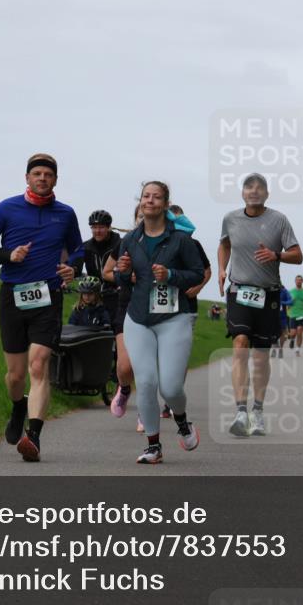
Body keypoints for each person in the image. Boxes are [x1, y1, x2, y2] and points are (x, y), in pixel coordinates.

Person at [0, 153, 82, 462]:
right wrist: (9, 256)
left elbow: (77, 250)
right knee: (16, 375)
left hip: (48, 296)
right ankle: (18, 406)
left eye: (48, 174)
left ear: (55, 180)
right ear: (27, 178)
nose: (42, 178)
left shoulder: (65, 214)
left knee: (39, 364)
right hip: (12, 295)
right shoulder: (7, 208)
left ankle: (32, 436)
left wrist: (71, 267)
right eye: (37, 173)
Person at [116, 181, 205, 463]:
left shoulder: (181, 240)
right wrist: (122, 272)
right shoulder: (130, 240)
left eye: (156, 197)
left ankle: (182, 422)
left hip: (173, 318)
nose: (150, 200)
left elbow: (196, 274)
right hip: (139, 317)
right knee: (146, 381)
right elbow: (122, 280)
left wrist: (171, 276)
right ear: (140, 202)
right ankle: (153, 446)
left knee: (170, 387)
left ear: (166, 205)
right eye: (146, 196)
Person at [218, 173, 302, 437]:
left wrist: (276, 255)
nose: (254, 191)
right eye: (249, 187)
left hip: (268, 294)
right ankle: (241, 411)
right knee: (241, 342)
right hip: (239, 290)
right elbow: (224, 244)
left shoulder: (279, 220)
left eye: (259, 188)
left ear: (267, 194)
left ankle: (258, 411)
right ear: (242, 193)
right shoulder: (230, 218)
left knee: (261, 356)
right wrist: (222, 269)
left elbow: (298, 256)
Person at [159, 203, 212, 422]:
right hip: (162, 305)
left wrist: (198, 287)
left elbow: (207, 271)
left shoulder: (193, 244)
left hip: (187, 307)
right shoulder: (159, 243)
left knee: (179, 357)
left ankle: (172, 400)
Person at [104, 204, 141, 427]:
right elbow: (107, 272)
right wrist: (127, 277)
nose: (144, 218)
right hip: (127, 306)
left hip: (156, 311)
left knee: (147, 368)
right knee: (125, 367)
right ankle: (125, 388)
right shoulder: (125, 243)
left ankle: (145, 413)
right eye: (140, 216)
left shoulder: (169, 243)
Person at [76, 210, 121, 325]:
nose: (97, 231)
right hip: (94, 295)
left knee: (116, 327)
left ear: (109, 227)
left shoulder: (120, 244)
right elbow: (76, 265)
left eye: (101, 227)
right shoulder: (86, 247)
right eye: (94, 227)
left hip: (116, 294)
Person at [287, 275, 303, 356]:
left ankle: (297, 349)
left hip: (302, 314)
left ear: (302, 281)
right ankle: (292, 339)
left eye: (300, 280)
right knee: (293, 333)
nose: (298, 281)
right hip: (292, 314)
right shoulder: (291, 292)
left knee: (300, 331)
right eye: (297, 280)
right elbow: (287, 303)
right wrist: (289, 305)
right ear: (295, 281)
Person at [271, 285, 293, 359]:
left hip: (282, 316)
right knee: (272, 332)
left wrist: (282, 302)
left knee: (282, 334)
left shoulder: (284, 291)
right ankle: (274, 349)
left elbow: (291, 301)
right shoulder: (270, 289)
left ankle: (280, 349)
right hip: (272, 315)